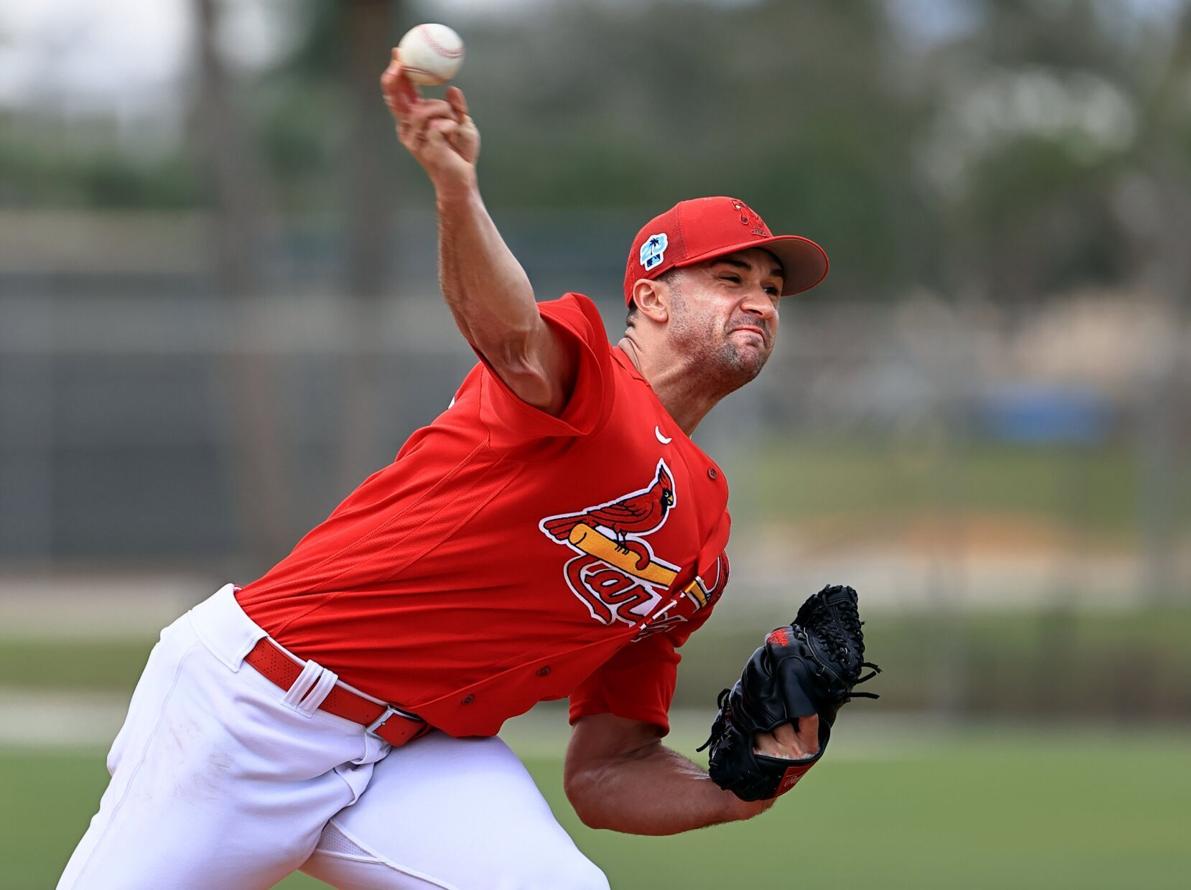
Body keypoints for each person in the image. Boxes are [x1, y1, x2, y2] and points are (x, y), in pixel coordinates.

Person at [58, 48, 831, 890]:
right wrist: (456, 191)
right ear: (650, 297)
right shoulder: (586, 384)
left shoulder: (703, 539)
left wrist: (741, 788)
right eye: (729, 276)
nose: (758, 298)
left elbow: (606, 773)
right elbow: (506, 332)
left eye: (771, 288)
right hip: (254, 711)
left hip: (415, 754)